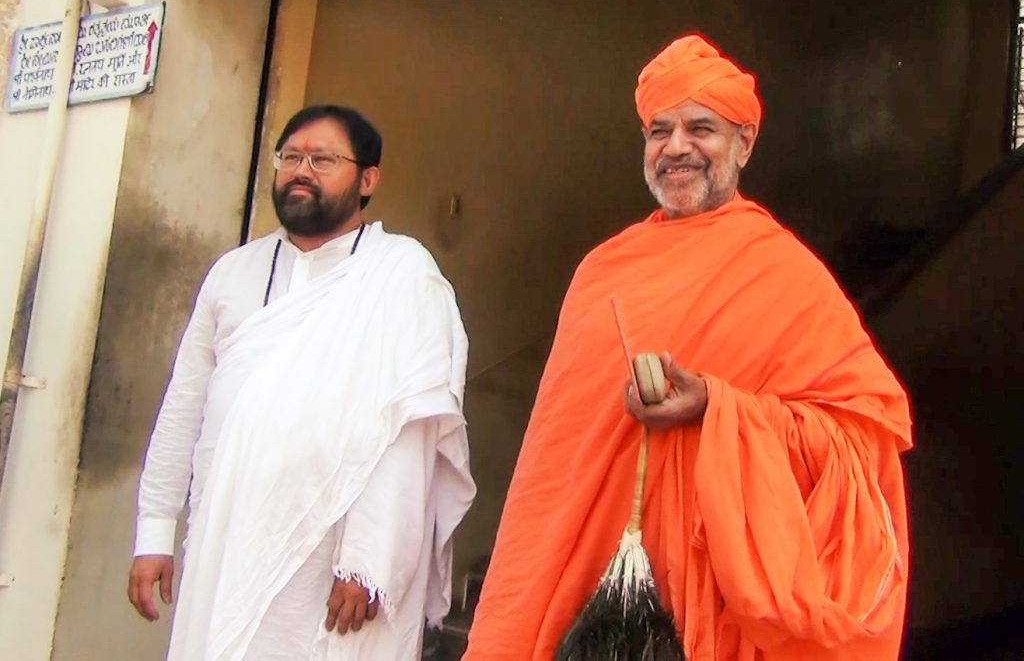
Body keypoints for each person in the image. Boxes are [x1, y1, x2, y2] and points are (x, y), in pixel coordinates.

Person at [463, 34, 912, 661]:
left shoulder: (786, 274)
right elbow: (551, 464)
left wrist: (718, 409)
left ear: (744, 143)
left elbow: (859, 446)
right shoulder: (602, 272)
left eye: (701, 128)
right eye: (659, 131)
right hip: (585, 593)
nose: (676, 147)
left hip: (717, 598)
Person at [126, 104, 476, 660]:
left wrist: (369, 562)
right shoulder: (233, 273)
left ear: (367, 179)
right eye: (290, 157)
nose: (301, 171)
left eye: (322, 160)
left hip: (334, 565)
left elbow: (411, 428)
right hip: (227, 540)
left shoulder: (404, 274)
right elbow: (184, 406)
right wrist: (154, 531)